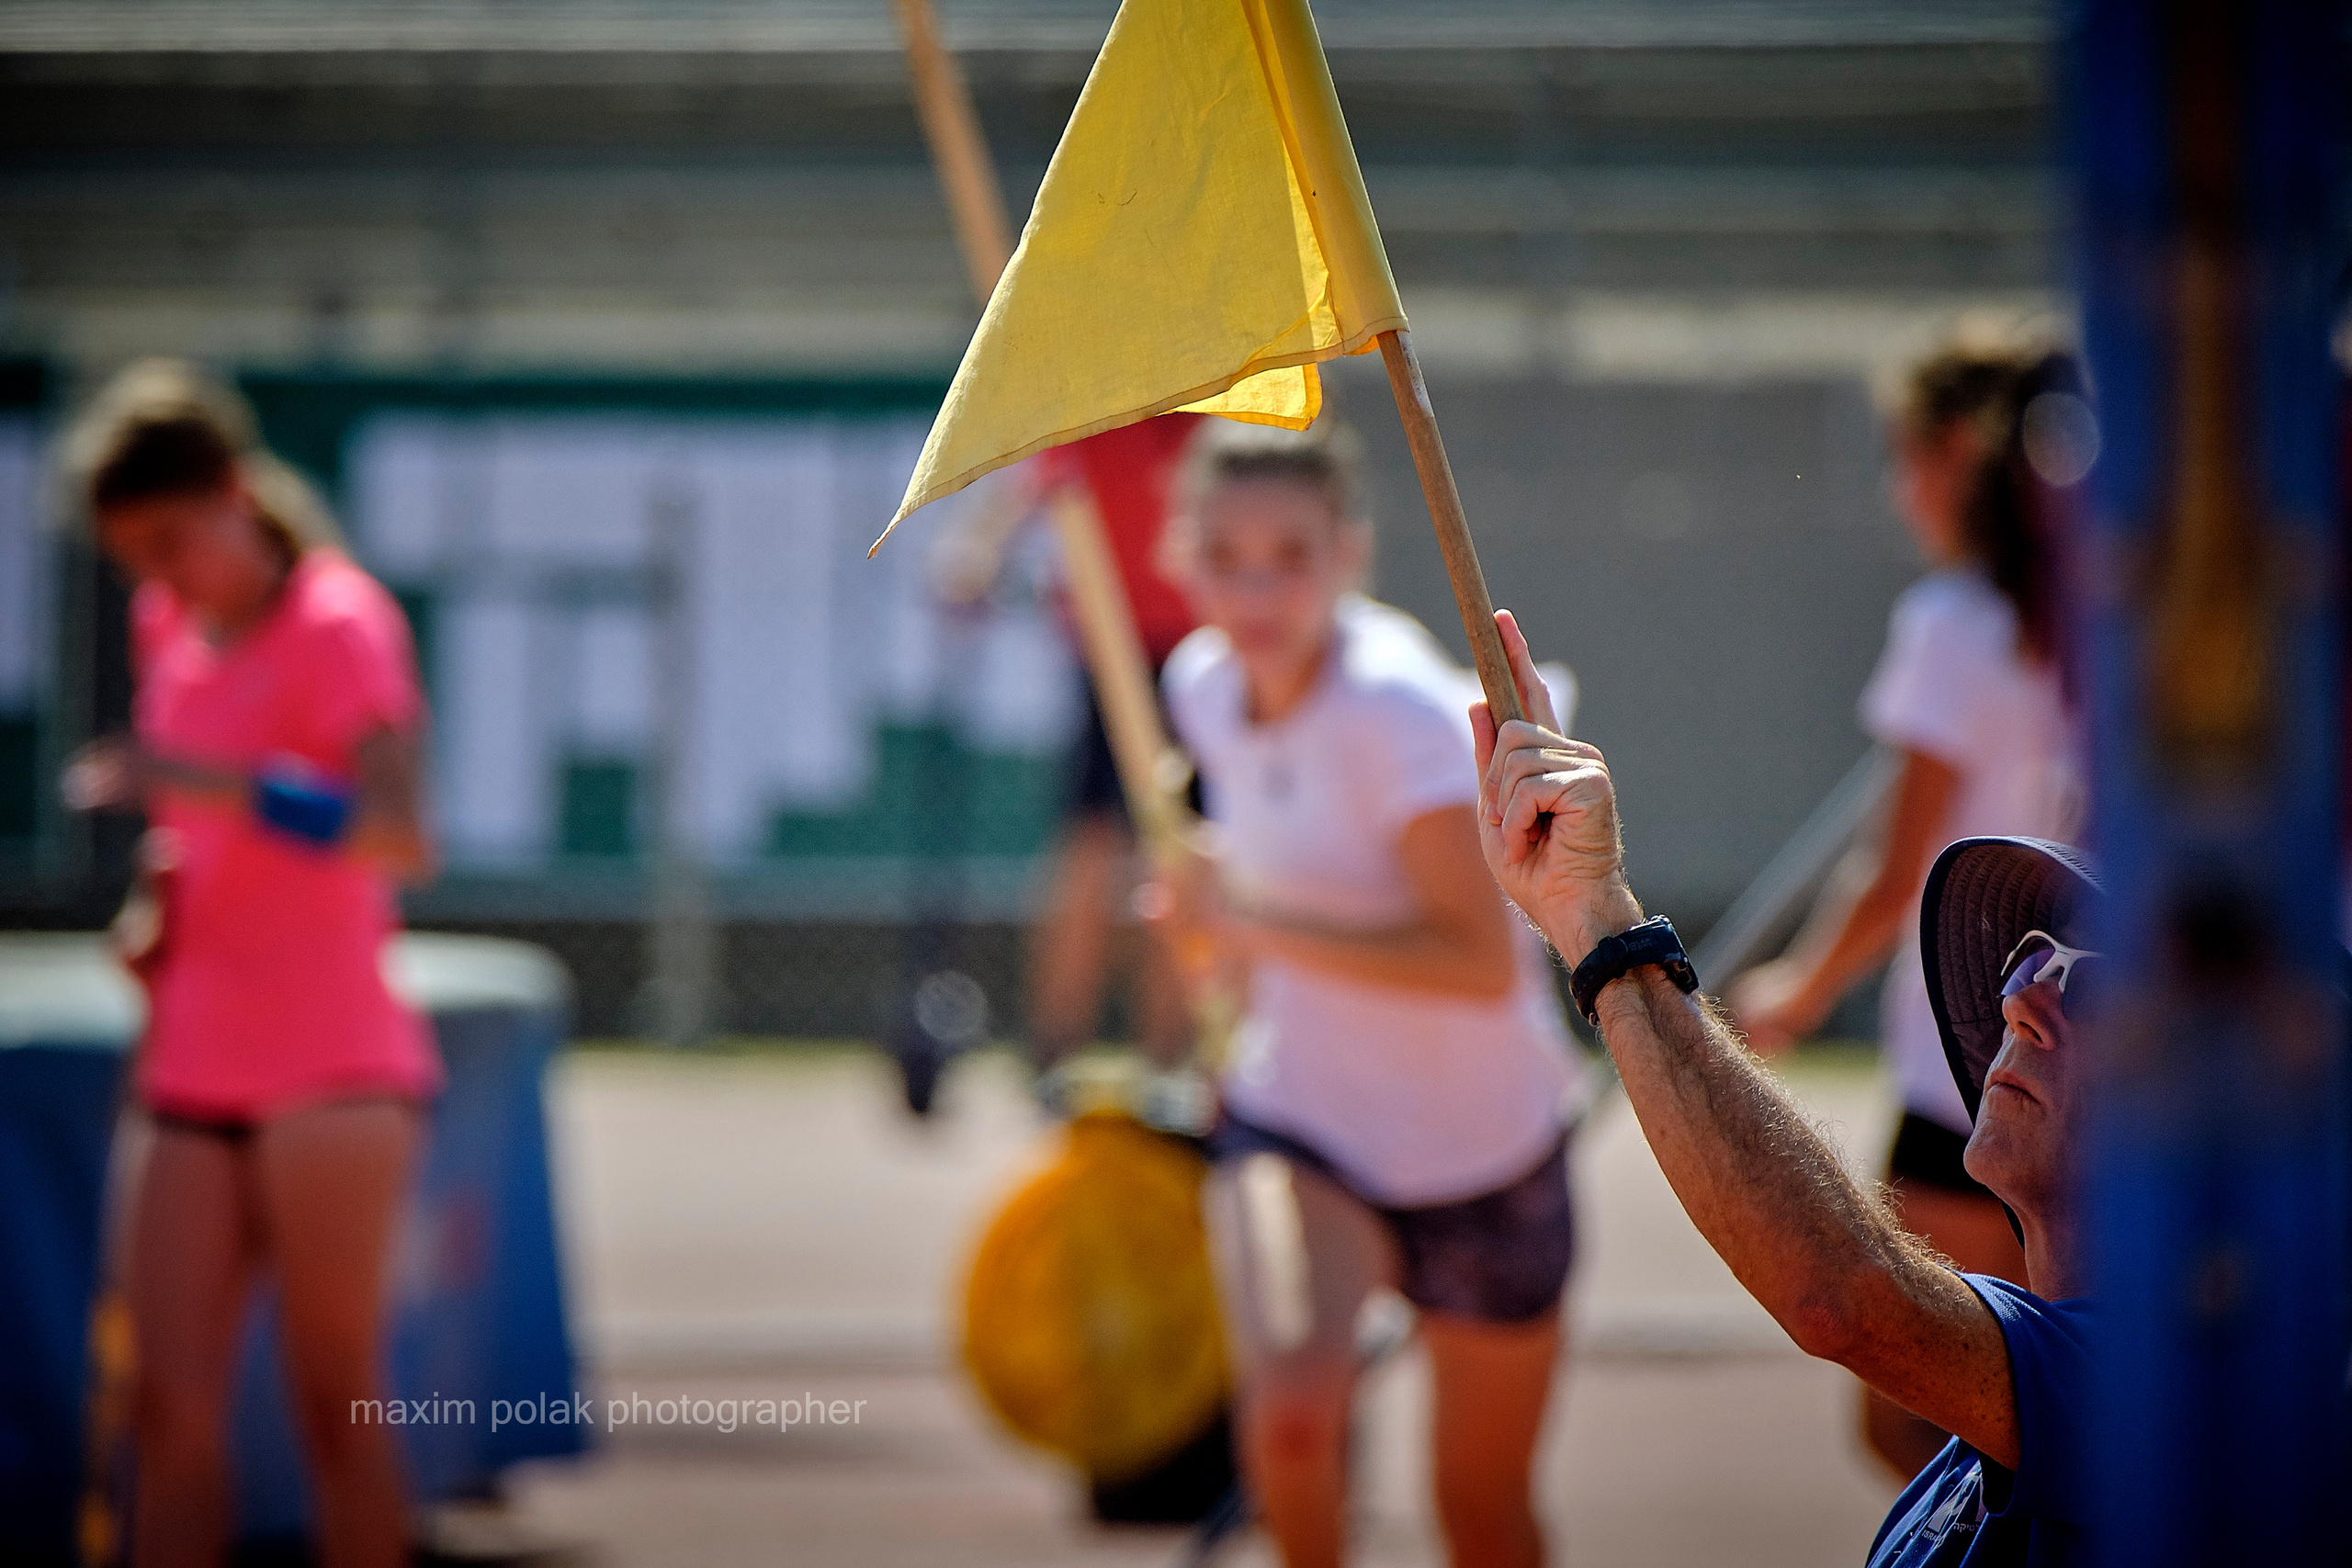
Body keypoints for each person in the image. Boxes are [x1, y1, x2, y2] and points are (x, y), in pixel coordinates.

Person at [1476, 606, 2101, 1567]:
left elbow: (1843, 1298)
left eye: (2096, 987)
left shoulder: (2191, 1386)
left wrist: (1600, 921)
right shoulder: (1999, 1418)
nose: (2023, 1004)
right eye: (2032, 959)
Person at [1153, 419, 1587, 1568]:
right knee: (1294, 1416)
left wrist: (1248, 919)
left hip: (1482, 1153)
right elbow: (1251, 895)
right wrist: (1211, 934)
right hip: (1303, 1122)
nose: (1254, 588)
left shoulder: (1397, 711)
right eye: (1224, 554)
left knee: (1481, 1515)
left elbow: (1474, 961)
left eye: (1288, 556)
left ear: (1345, 554)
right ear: (1179, 558)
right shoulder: (1197, 686)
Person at [58, 360, 438, 1568]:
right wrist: (155, 900)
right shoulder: (166, 619)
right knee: (160, 1407)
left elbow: (398, 831)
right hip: (189, 1062)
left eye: (171, 538)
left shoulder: (340, 619)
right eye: (135, 554)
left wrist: (203, 787)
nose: (157, 574)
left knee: (340, 1402)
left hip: (333, 1070)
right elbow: (191, 841)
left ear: (230, 489)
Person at [1726, 343, 2085, 1478]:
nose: (1900, 492)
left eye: (1908, 460)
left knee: (1918, 1406)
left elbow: (1898, 872)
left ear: (1962, 462)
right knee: (2066, 1379)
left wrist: (1793, 992)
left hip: (1976, 1061)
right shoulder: (2113, 619)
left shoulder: (1957, 625)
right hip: (2087, 1047)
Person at [933, 414, 1205, 1069]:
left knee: (1186, 857)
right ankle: (1056, 1050)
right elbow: (1036, 480)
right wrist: (978, 549)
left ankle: (1172, 1057)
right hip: (1111, 654)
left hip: (1207, 655)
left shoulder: (1218, 398)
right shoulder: (1101, 405)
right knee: (1090, 850)